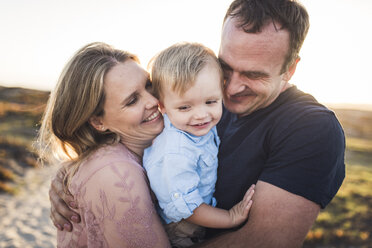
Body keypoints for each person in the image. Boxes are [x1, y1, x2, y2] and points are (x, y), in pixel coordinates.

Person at [49, 0, 345, 247]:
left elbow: (263, 241)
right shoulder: (203, 102)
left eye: (254, 75)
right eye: (226, 67)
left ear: (290, 69)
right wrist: (76, 173)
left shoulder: (311, 129)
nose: (231, 89)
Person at [37, 42, 171, 247]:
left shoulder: (143, 151)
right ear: (98, 122)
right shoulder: (113, 173)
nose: (153, 101)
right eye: (132, 100)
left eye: (149, 85)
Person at [143, 42, 255, 247]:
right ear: (162, 106)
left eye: (211, 102)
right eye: (185, 107)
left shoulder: (193, 125)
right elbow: (187, 206)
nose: (201, 115)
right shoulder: (176, 152)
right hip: (182, 229)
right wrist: (229, 217)